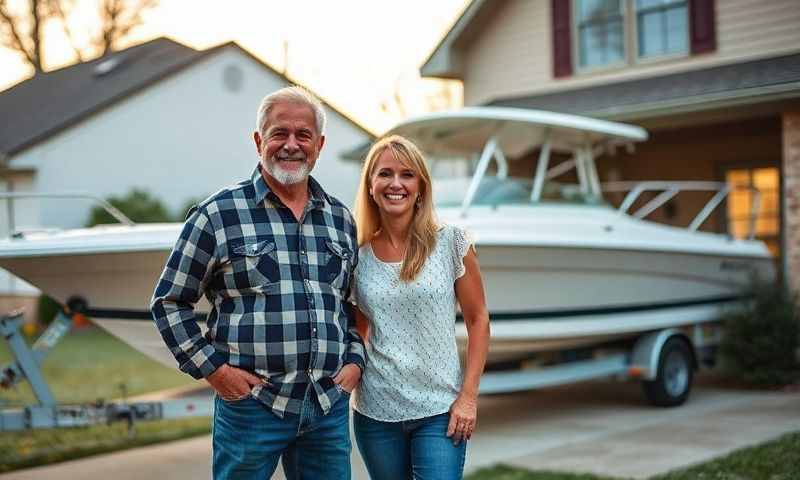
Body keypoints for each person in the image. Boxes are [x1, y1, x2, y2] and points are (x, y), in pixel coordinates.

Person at [150, 86, 365, 480]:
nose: (291, 145)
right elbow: (169, 302)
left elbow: (350, 303)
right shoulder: (218, 214)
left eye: (303, 135)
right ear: (258, 141)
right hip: (252, 407)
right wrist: (215, 371)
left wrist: (354, 359)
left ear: (319, 145)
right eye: (279, 133)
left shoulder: (340, 218)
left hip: (326, 406)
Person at [350, 135, 490, 479]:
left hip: (440, 408)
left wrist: (468, 396)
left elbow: (478, 319)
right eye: (384, 174)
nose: (395, 183)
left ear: (421, 186)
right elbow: (359, 330)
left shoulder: (451, 243)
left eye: (407, 174)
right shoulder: (357, 256)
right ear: (370, 185)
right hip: (375, 411)